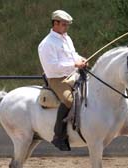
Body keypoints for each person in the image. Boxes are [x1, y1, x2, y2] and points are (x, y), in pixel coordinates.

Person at [38, 10, 87, 151]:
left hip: (74, 73)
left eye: (67, 25)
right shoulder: (46, 44)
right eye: (64, 24)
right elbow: (52, 67)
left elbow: (74, 55)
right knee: (69, 100)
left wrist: (81, 59)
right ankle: (58, 136)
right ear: (55, 23)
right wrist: (74, 65)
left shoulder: (66, 38)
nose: (66, 27)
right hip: (57, 79)